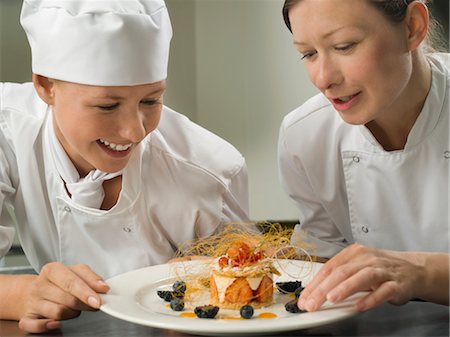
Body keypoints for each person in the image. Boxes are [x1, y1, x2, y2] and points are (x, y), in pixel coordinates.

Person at [0, 0, 249, 333]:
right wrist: (21, 294)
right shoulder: (7, 129)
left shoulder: (210, 172)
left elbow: (248, 301)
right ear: (45, 86)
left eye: (151, 100)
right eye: (107, 105)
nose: (135, 130)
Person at [278, 0, 449, 313]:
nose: (323, 79)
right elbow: (321, 261)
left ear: (413, 27)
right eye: (309, 54)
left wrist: (420, 272)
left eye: (344, 46)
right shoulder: (305, 136)